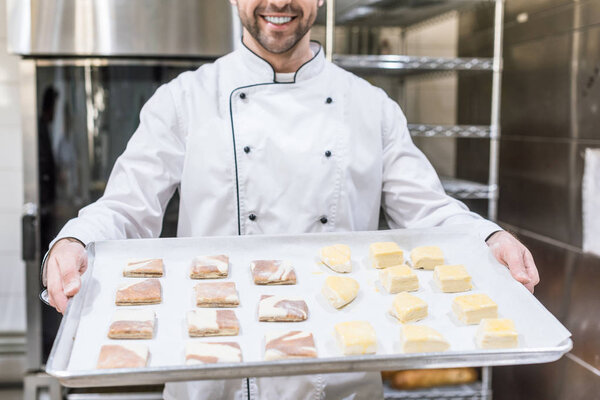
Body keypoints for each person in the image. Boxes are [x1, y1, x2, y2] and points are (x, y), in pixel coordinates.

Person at [43, 0, 540, 398]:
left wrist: (487, 236)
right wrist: (75, 239)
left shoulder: (370, 107)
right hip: (215, 371)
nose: (278, 3)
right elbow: (127, 207)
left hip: (338, 374)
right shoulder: (184, 99)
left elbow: (430, 212)